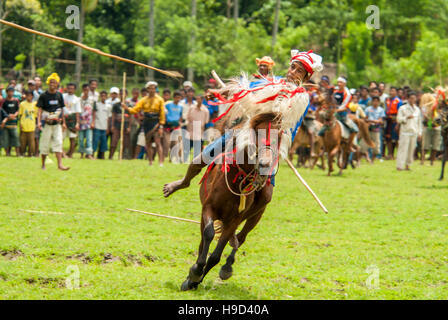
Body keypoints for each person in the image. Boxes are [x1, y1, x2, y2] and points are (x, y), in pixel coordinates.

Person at [163, 49, 323, 198]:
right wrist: (220, 93)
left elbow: (291, 128)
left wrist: (279, 149)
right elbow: (245, 88)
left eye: (299, 71)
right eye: (292, 67)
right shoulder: (273, 82)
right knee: (205, 155)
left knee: (266, 191)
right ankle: (184, 181)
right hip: (249, 130)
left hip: (273, 139)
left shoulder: (302, 99)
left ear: (306, 77)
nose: (293, 72)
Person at [122, 81, 165, 166]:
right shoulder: (143, 100)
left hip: (156, 122)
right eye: (150, 88)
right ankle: (150, 162)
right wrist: (127, 108)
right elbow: (135, 110)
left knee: (157, 142)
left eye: (153, 88)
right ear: (147, 89)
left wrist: (161, 125)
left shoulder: (160, 99)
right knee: (148, 143)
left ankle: (160, 162)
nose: (152, 90)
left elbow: (162, 114)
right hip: (147, 122)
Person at [36, 73, 69, 170]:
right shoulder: (43, 95)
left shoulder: (59, 95)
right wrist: (38, 122)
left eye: (54, 82)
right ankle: (43, 165)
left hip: (57, 124)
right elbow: (40, 110)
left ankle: (60, 165)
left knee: (58, 142)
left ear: (57, 84)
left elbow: (62, 109)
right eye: (50, 82)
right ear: (48, 83)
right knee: (45, 144)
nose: (52, 84)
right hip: (47, 123)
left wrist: (64, 123)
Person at [396, 92, 422, 171]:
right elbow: (398, 119)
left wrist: (420, 133)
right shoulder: (403, 108)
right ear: (408, 99)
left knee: (411, 150)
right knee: (403, 150)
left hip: (414, 132)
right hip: (405, 132)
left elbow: (419, 122)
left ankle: (408, 165)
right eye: (411, 98)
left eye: (414, 98)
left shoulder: (417, 109)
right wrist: (406, 117)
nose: (412, 100)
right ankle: (399, 166)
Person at [184, 95, 210, 162]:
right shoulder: (191, 108)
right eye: (197, 99)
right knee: (187, 149)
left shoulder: (205, 110)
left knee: (197, 150)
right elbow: (187, 118)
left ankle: (195, 161)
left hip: (199, 133)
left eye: (199, 99)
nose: (198, 101)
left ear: (202, 100)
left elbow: (206, 123)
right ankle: (184, 160)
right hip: (190, 132)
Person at [110, 89, 133, 160]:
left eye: (124, 94)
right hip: (117, 126)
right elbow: (113, 116)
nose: (122, 95)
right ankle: (111, 156)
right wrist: (112, 125)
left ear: (126, 95)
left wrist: (129, 127)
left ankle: (122, 156)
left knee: (125, 143)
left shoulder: (129, 105)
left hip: (125, 126)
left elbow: (130, 117)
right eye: (121, 94)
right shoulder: (116, 105)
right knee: (114, 142)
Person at [163, 91, 183, 161]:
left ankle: (171, 159)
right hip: (167, 127)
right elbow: (163, 113)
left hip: (176, 127)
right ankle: (163, 157)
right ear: (174, 98)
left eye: (179, 98)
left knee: (175, 144)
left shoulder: (180, 106)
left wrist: (179, 122)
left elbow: (181, 116)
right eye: (176, 98)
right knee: (167, 143)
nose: (178, 99)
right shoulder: (168, 105)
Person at [365, 96, 386, 162]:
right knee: (364, 145)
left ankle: (372, 160)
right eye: (374, 101)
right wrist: (370, 121)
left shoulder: (381, 110)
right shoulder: (368, 109)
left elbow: (381, 120)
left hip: (376, 130)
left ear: (379, 102)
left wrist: (373, 121)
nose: (375, 102)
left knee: (376, 147)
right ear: (372, 102)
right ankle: (367, 157)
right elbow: (365, 118)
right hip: (368, 129)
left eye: (377, 101)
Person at [63, 83, 81, 158]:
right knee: (61, 138)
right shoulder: (63, 96)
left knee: (72, 138)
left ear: (74, 89)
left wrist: (77, 123)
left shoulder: (76, 99)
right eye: (69, 88)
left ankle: (70, 154)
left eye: (72, 88)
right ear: (66, 88)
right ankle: (62, 154)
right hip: (64, 118)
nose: (70, 90)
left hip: (72, 119)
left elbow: (77, 112)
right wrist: (63, 122)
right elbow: (61, 109)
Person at [1, 87, 20, 156]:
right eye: (9, 91)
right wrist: (8, 116)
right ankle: (7, 153)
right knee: (6, 139)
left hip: (14, 123)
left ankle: (17, 153)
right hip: (6, 123)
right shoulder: (4, 101)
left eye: (12, 91)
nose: (10, 93)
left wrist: (14, 115)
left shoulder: (16, 100)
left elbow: (18, 110)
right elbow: (2, 111)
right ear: (6, 92)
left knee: (15, 138)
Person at [92, 91, 112, 159]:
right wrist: (93, 123)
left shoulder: (108, 106)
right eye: (102, 96)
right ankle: (92, 155)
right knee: (95, 141)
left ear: (107, 97)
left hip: (104, 127)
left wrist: (108, 128)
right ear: (100, 97)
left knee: (104, 142)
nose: (103, 97)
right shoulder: (97, 104)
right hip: (97, 126)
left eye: (104, 96)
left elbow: (109, 117)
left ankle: (102, 156)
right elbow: (94, 114)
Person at [18, 91, 38, 157]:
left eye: (30, 95)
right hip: (24, 124)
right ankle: (22, 153)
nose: (28, 97)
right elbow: (20, 115)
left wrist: (37, 124)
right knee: (23, 141)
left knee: (31, 141)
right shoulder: (22, 104)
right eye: (27, 95)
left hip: (31, 125)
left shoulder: (35, 104)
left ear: (32, 96)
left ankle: (31, 153)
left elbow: (36, 116)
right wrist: (20, 123)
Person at [385, 87, 402, 159]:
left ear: (396, 92)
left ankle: (399, 155)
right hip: (388, 120)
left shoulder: (398, 101)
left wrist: (397, 122)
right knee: (388, 138)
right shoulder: (387, 100)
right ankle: (390, 154)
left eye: (393, 91)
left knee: (396, 138)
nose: (391, 92)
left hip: (395, 120)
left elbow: (400, 112)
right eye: (390, 91)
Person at [79, 84, 94, 159]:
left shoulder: (91, 100)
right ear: (83, 90)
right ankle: (81, 153)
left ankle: (89, 154)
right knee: (81, 139)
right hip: (81, 122)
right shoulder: (79, 99)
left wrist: (93, 122)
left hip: (89, 122)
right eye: (85, 90)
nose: (86, 92)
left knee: (89, 139)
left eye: (87, 90)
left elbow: (94, 111)